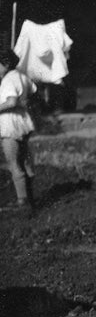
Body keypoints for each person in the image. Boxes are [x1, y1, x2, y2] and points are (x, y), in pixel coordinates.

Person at [0, 48, 37, 210]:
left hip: (10, 125)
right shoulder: (22, 77)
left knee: (13, 163)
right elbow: (34, 91)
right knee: (23, 161)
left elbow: (11, 102)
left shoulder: (8, 80)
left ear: (6, 64)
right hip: (23, 122)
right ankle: (30, 198)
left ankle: (22, 201)